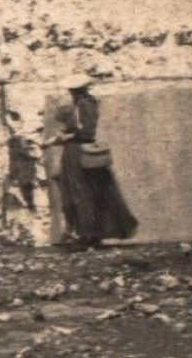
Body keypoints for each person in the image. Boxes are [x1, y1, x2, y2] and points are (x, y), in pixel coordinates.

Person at [43, 73, 138, 249]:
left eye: (72, 90)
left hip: (77, 152)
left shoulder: (83, 104)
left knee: (80, 193)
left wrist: (61, 138)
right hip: (79, 151)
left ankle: (87, 235)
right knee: (90, 192)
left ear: (76, 90)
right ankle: (91, 235)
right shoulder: (89, 102)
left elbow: (86, 132)